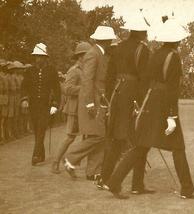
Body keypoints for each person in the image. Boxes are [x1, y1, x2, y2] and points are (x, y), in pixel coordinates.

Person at [107, 18, 194, 200]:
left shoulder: (155, 54)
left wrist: (143, 105)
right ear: (177, 40)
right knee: (178, 147)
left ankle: (119, 183)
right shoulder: (174, 57)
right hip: (163, 105)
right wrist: (172, 116)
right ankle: (187, 189)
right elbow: (172, 89)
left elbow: (145, 82)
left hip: (150, 102)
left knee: (141, 146)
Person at [97, 14, 150, 191]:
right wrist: (142, 104)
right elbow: (143, 80)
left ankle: (105, 178)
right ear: (141, 32)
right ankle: (136, 185)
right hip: (133, 96)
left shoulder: (117, 48)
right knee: (140, 139)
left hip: (116, 96)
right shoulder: (143, 50)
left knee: (116, 139)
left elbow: (110, 76)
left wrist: (110, 97)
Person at [64, 26, 116, 179]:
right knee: (98, 135)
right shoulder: (93, 54)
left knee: (99, 136)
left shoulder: (99, 53)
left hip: (97, 100)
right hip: (92, 101)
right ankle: (71, 157)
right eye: (110, 40)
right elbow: (87, 80)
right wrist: (90, 104)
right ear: (106, 40)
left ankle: (93, 172)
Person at [51, 41, 92, 174]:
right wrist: (84, 89)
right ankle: (56, 162)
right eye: (87, 55)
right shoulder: (74, 71)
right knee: (70, 137)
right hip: (74, 110)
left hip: (84, 109)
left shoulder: (88, 69)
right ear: (80, 57)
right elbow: (67, 89)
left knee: (87, 137)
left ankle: (71, 163)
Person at [21, 43, 61, 166]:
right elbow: (24, 87)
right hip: (33, 105)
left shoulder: (51, 71)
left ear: (45, 58)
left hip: (45, 105)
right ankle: (41, 155)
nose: (38, 59)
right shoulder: (29, 71)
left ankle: (36, 155)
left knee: (41, 128)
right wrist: (24, 99)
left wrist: (55, 104)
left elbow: (57, 89)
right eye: (36, 56)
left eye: (41, 56)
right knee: (36, 129)